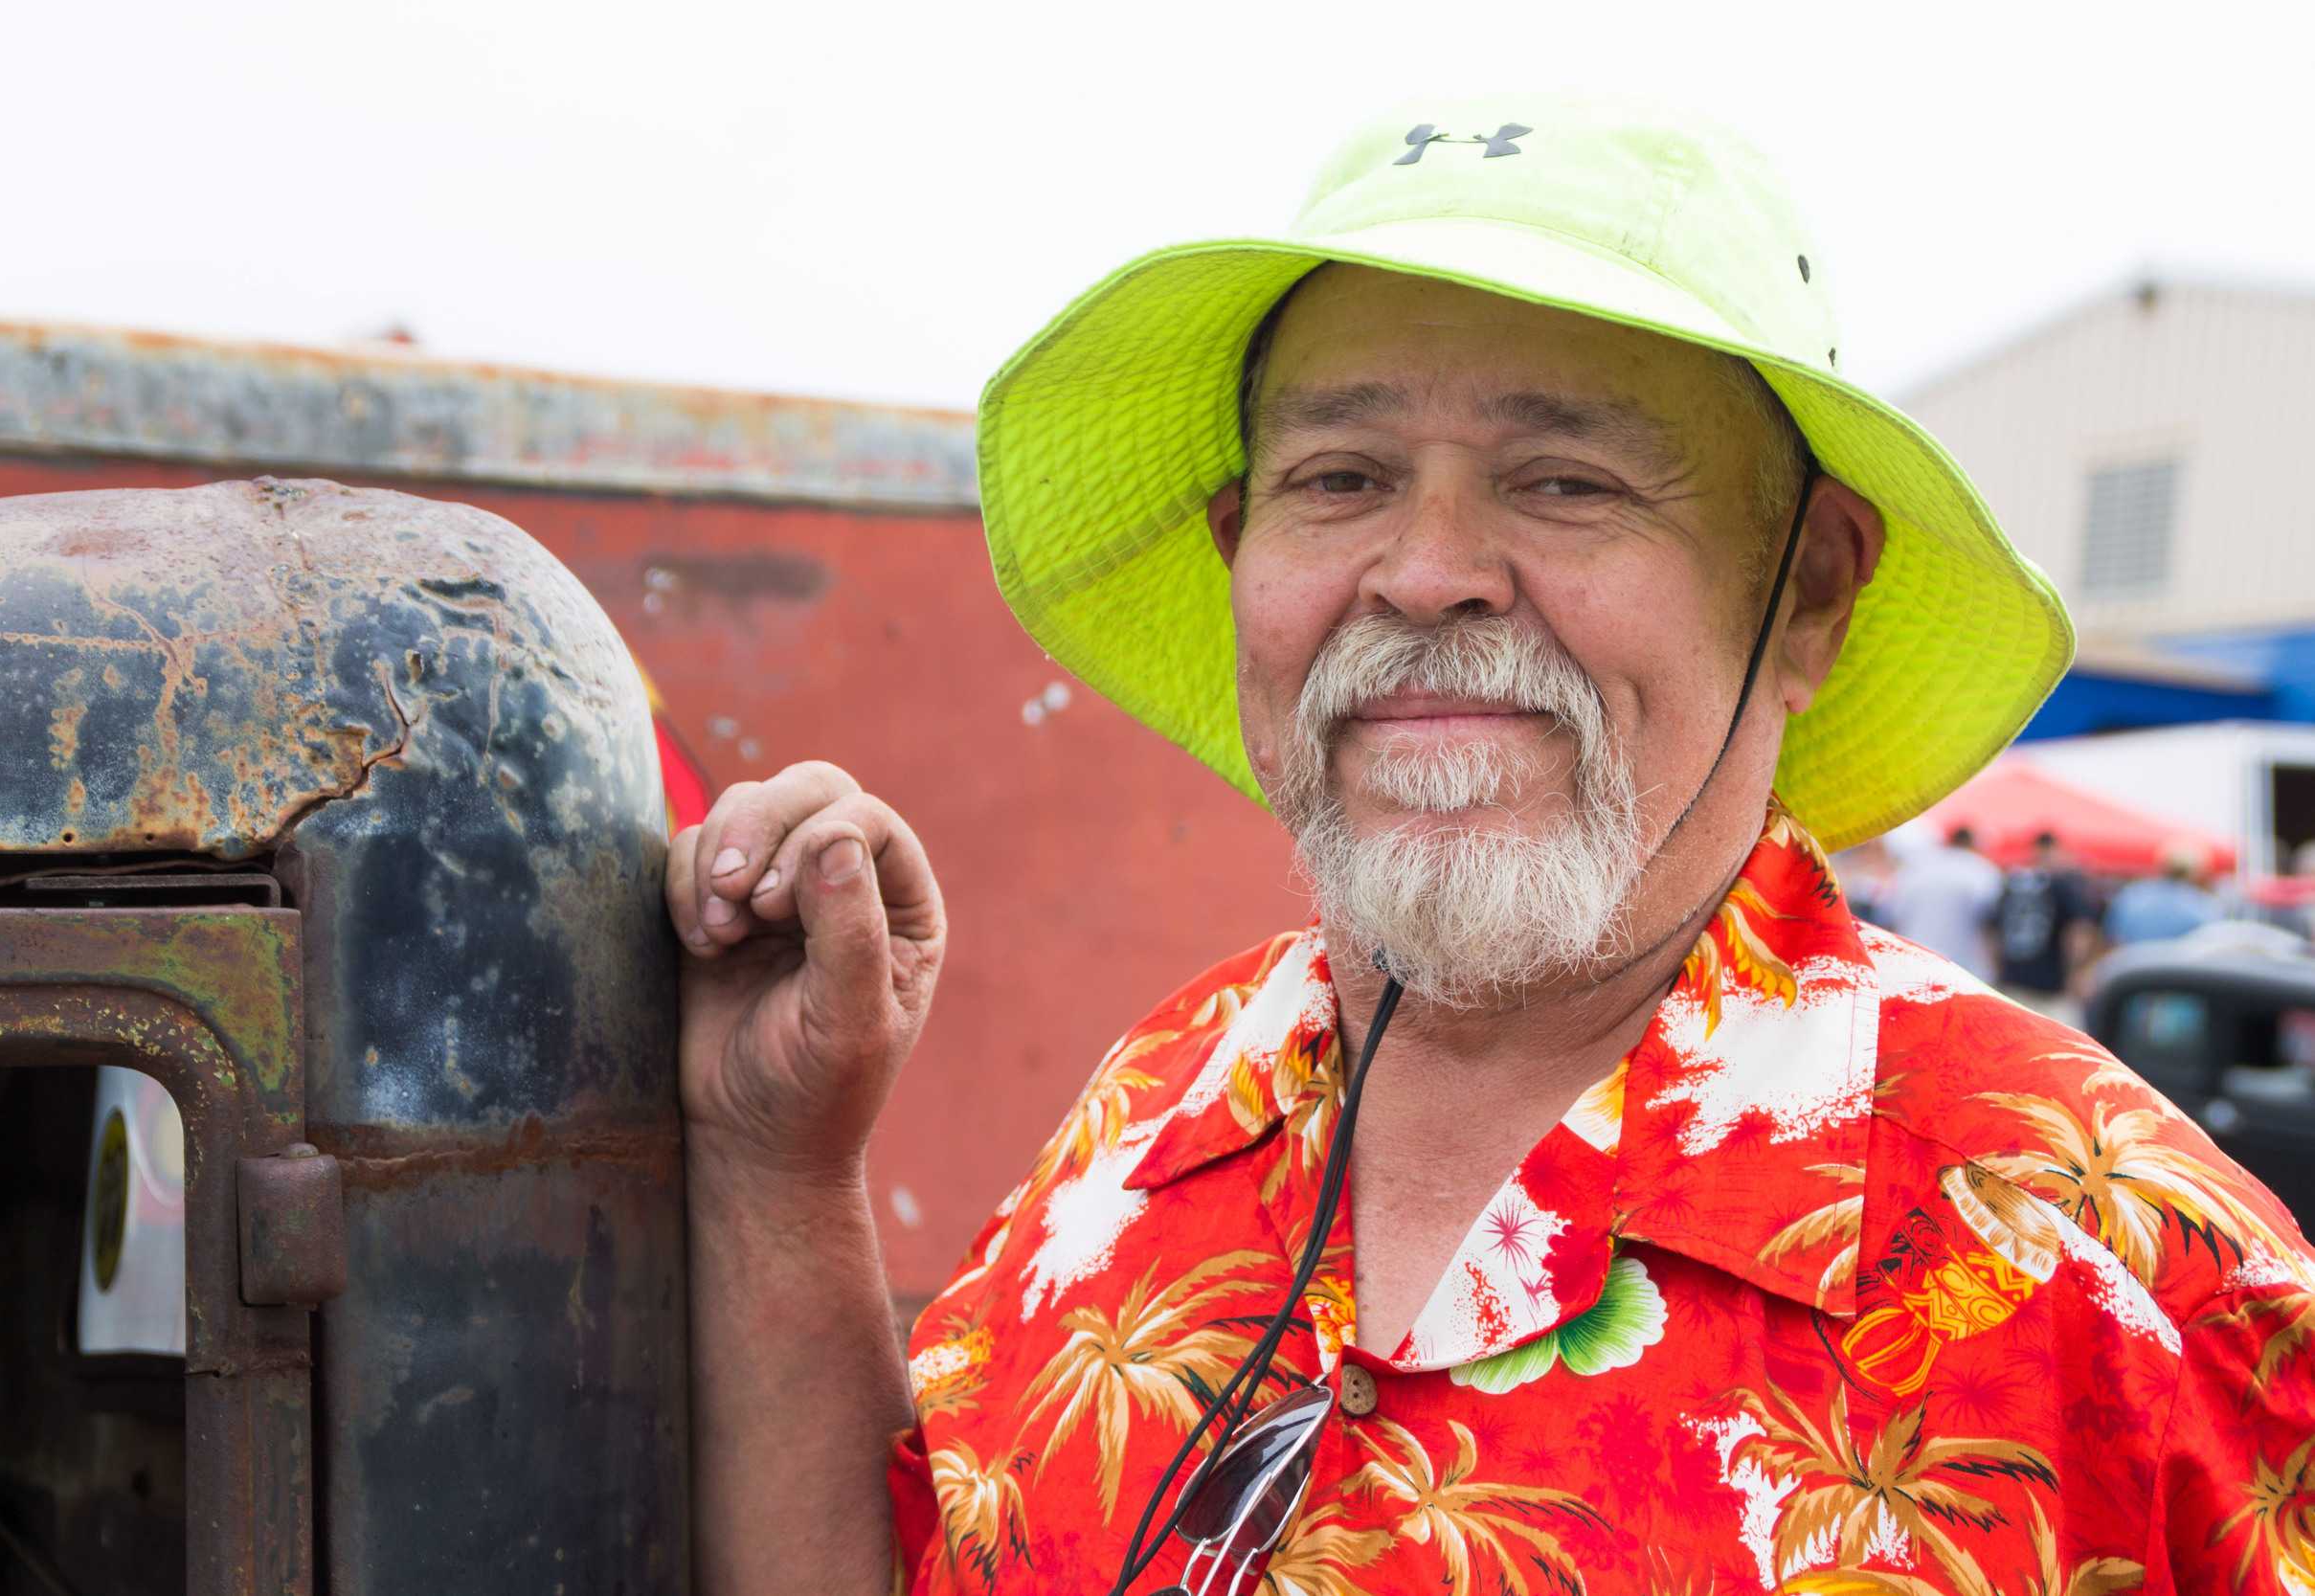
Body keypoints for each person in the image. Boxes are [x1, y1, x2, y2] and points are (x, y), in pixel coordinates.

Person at [667, 97, 2315, 1595]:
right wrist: (779, 1162)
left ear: (1805, 586)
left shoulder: (2128, 1278)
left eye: (1566, 478)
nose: (1427, 568)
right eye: (1342, 475)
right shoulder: (1156, 1110)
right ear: (1246, 553)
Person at [1991, 829, 2101, 1021]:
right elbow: (2078, 931)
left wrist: (1997, 968)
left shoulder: (2012, 882)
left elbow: (1992, 932)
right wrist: (2076, 971)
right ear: (2055, 849)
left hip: (2012, 980)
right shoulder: (2062, 883)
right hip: (2051, 987)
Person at [1880, 824, 2003, 977]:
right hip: (1965, 967)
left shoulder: (1915, 869)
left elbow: (1891, 917)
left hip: (1915, 960)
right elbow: (1992, 924)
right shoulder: (1982, 870)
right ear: (1973, 844)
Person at [2105, 838, 2224, 947]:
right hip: (2177, 967)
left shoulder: (2133, 895)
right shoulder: (2202, 905)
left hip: (2133, 965)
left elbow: (2112, 936)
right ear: (2197, 872)